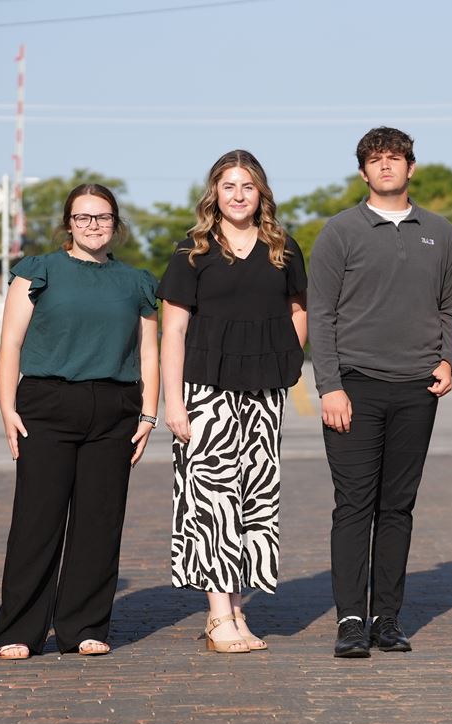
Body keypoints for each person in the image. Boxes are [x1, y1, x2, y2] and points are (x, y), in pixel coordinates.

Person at [0, 184, 160, 660]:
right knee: (36, 521)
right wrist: (7, 409)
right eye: (83, 217)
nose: (93, 225)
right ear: (68, 223)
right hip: (47, 404)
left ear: (115, 223)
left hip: (115, 408)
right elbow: (10, 345)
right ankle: (17, 630)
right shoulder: (38, 271)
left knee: (99, 523)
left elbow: (150, 350)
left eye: (102, 217)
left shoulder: (138, 282)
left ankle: (83, 626)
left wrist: (150, 412)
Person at [307, 126, 452, 658]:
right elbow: (320, 314)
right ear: (363, 172)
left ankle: (386, 618)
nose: (386, 167)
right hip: (354, 388)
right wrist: (329, 386)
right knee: (354, 505)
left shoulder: (439, 232)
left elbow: (450, 307)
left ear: (411, 167)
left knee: (397, 506)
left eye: (395, 159)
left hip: (417, 388)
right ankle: (351, 620)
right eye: (376, 160)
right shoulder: (339, 232)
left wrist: (450, 360)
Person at [158, 150, 308, 654]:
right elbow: (173, 330)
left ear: (261, 191)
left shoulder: (283, 248)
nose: (239, 195)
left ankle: (237, 609)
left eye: (247, 185)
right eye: (229, 186)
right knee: (212, 503)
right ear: (214, 194)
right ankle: (218, 614)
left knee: (256, 500)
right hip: (206, 390)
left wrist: (287, 361)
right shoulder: (193, 250)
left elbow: (297, 310)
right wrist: (174, 403)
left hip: (264, 391)